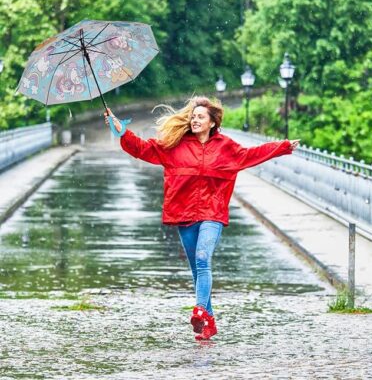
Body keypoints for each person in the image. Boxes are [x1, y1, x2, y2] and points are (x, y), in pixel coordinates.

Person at [104, 96, 300, 341]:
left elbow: (252, 154)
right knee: (198, 271)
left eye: (200, 117)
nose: (195, 120)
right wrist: (121, 130)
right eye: (193, 117)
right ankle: (209, 322)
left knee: (203, 258)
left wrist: (283, 146)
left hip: (212, 213)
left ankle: (199, 311)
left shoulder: (226, 147)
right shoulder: (174, 145)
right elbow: (143, 149)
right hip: (184, 214)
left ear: (212, 122)